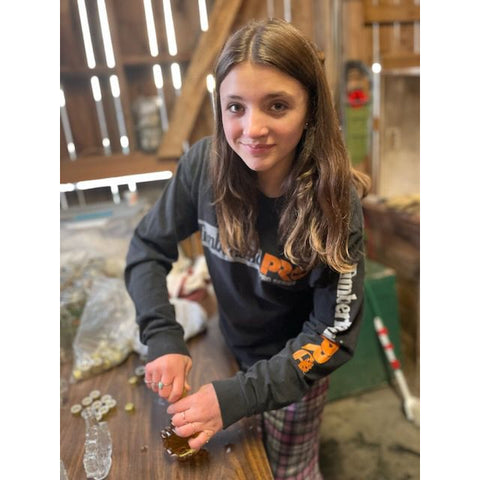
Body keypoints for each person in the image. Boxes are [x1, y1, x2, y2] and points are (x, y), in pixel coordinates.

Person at [125, 18, 370, 480]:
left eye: (277, 105)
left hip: (295, 370)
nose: (252, 128)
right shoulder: (202, 166)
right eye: (235, 106)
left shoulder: (334, 200)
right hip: (231, 345)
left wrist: (237, 397)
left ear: (311, 109)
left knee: (289, 471)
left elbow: (333, 333)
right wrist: (162, 337)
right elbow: (147, 247)